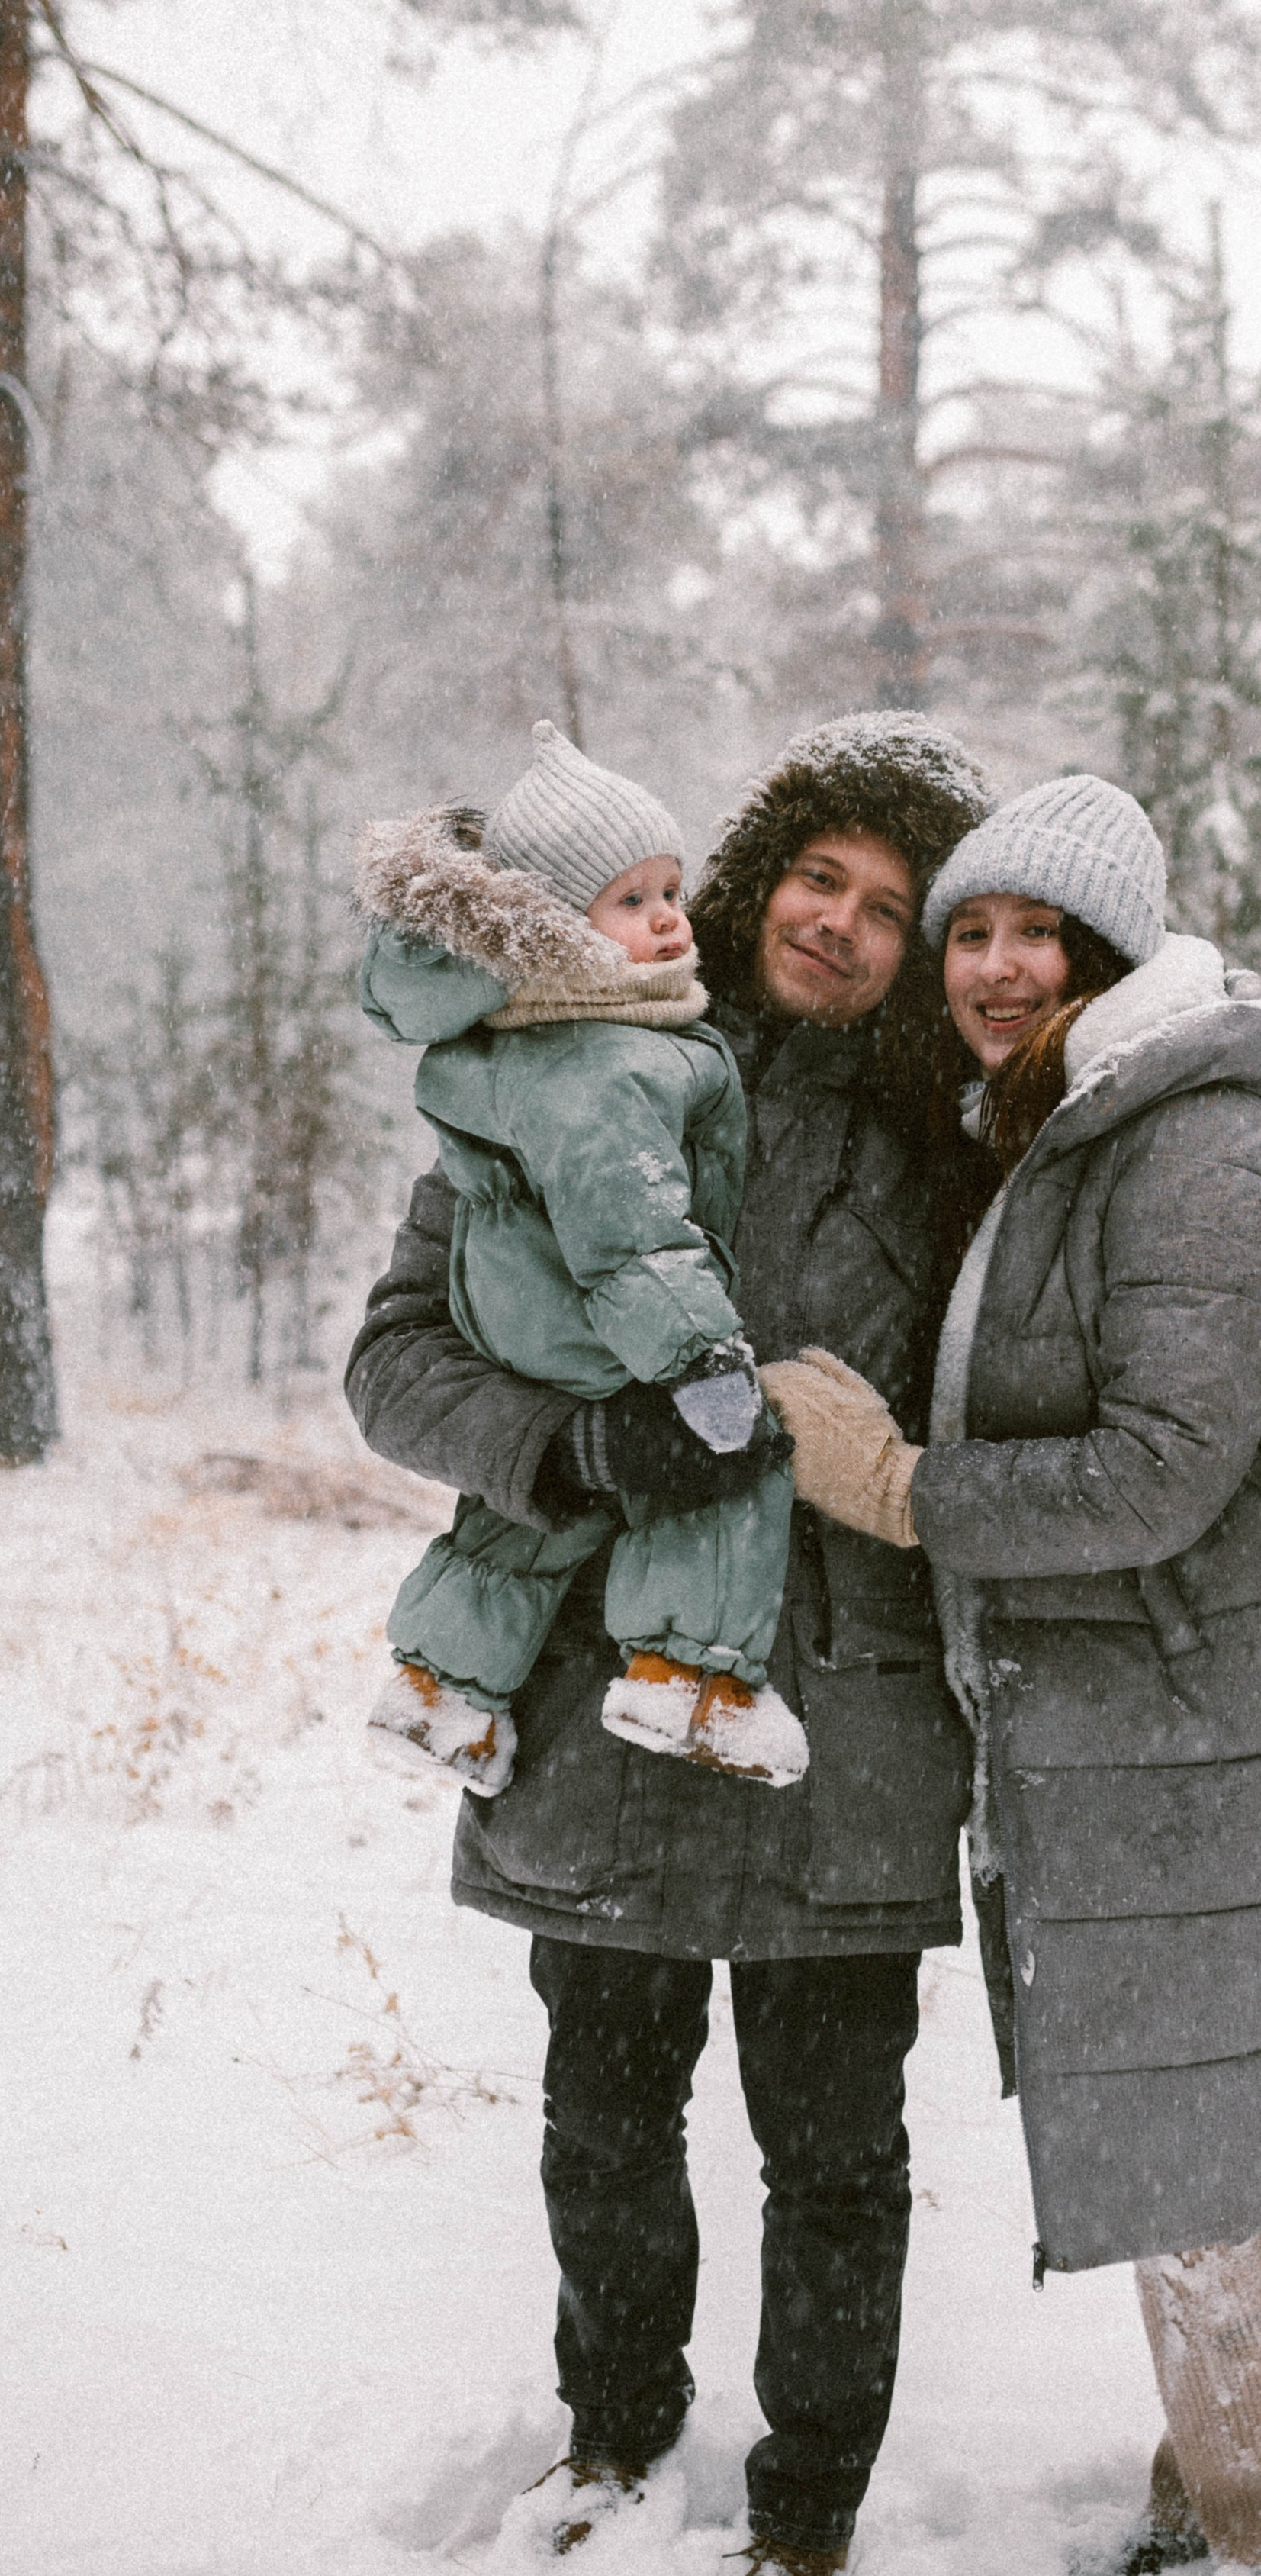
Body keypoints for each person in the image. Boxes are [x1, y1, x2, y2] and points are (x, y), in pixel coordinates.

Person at [761, 772, 1261, 2576]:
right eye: (972, 935)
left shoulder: (1199, 1152)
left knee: (1214, 2125)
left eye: (1037, 936)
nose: (995, 968)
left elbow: (1161, 1469)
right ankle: (1236, 2468)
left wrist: (904, 1490)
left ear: (1117, 951)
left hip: (1237, 1704)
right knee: (1186, 2106)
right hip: (1172, 1706)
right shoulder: (1073, 1124)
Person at [343, 713, 990, 2576]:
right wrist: (581, 1444)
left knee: (836, 2149)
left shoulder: (960, 1152)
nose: (845, 922)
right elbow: (392, 1364)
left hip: (849, 1726)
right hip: (600, 1699)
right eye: (820, 875)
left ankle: (802, 2516)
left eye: (893, 907)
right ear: (750, 871)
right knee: (605, 2114)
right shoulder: (555, 1061)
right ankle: (616, 2438)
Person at [357, 720, 803, 1793]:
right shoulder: (613, 1056)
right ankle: (687, 1674)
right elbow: (632, 1226)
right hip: (597, 1312)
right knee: (727, 1473)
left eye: (669, 891)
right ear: (557, 929)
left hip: (524, 1323)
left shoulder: (537, 1033)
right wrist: (702, 1357)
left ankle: (440, 1687)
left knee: (520, 1523)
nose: (666, 921)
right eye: (631, 902)